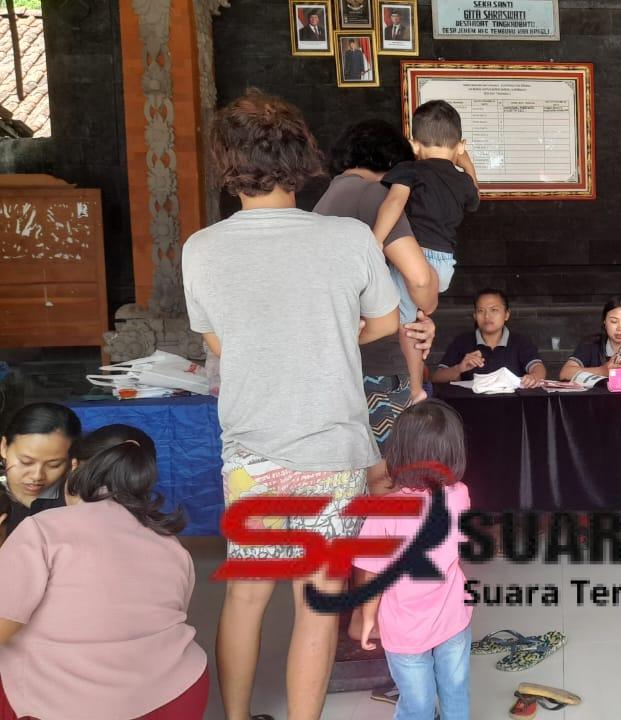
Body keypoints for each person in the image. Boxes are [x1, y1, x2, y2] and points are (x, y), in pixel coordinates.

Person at [181, 89, 400, 720]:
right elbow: (386, 323)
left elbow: (219, 343)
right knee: (317, 604)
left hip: (251, 452)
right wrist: (327, 337)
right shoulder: (349, 238)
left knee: (246, 595)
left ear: (227, 163)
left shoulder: (201, 247)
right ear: (302, 159)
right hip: (331, 447)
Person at [0, 425, 208, 720]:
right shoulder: (171, 544)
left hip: (64, 705)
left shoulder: (41, 529)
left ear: (74, 466)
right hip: (177, 697)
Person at [314, 118, 440, 459]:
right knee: (388, 474)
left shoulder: (324, 202)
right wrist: (428, 303)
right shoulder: (374, 196)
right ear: (393, 164)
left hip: (337, 367)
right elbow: (419, 280)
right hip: (379, 369)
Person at [353, 400, 472, 720]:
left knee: (417, 703)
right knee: (455, 690)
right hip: (454, 614)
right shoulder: (460, 494)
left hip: (405, 627)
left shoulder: (384, 512)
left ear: (398, 453)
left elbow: (372, 575)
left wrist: (367, 617)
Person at [372, 100, 481, 402]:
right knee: (418, 321)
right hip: (444, 266)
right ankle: (416, 382)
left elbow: (394, 203)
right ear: (460, 145)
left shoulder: (410, 169)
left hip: (415, 259)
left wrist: (374, 242)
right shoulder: (462, 180)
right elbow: (475, 197)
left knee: (406, 326)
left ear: (414, 144)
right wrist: (466, 162)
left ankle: (415, 388)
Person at [0, 402, 80, 541]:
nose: (37, 476)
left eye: (54, 465)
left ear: (71, 463)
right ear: (4, 447)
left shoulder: (77, 503)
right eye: (26, 462)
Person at [434, 289, 545, 388]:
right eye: (481, 311)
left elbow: (537, 367)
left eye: (494, 310)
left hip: (512, 403)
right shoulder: (461, 342)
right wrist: (459, 368)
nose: (487, 316)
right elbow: (437, 377)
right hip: (472, 403)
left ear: (506, 314)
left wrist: (534, 376)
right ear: (475, 316)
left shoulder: (520, 342)